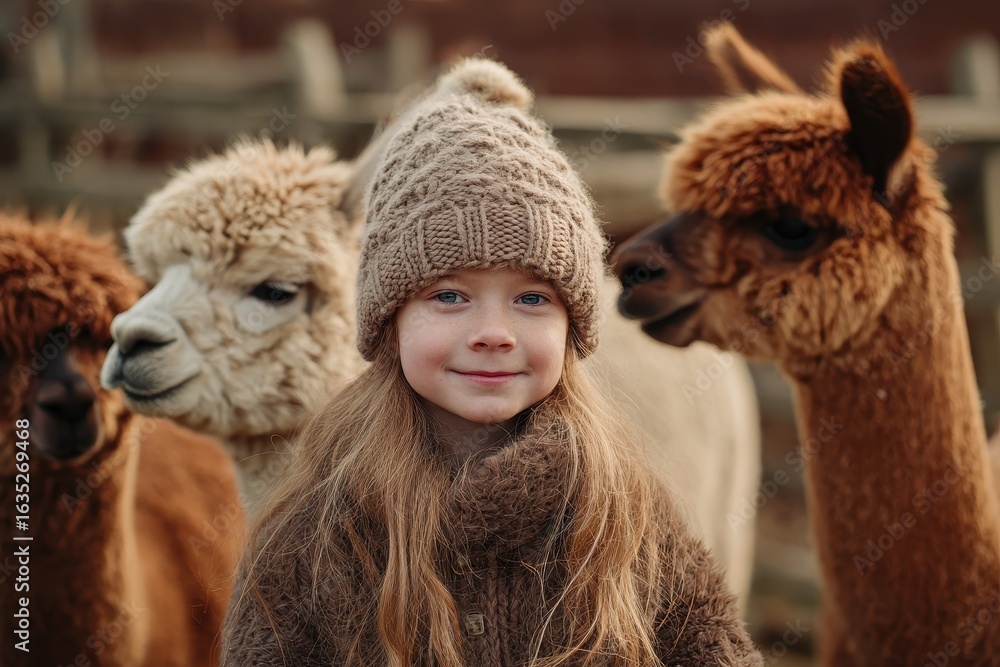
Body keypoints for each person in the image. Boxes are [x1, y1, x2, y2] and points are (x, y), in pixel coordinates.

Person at [221, 58, 761, 667]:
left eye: (532, 299)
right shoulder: (313, 533)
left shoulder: (625, 513)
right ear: (388, 316)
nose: (493, 334)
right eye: (448, 296)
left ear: (572, 325)